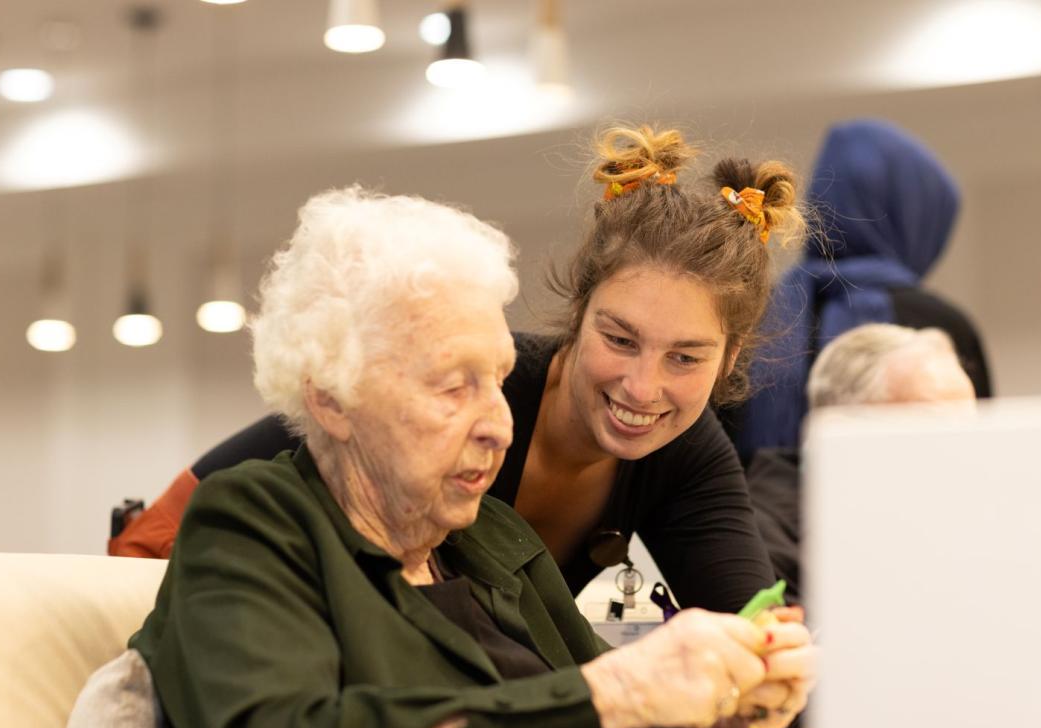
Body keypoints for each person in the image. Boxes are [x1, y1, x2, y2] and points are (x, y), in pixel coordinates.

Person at [99, 187, 816, 728]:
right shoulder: (255, 524)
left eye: (500, 379)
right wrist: (618, 691)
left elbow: (607, 725)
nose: (503, 421)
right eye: (454, 386)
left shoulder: (494, 538)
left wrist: (722, 719)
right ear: (332, 396)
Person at [110, 124, 808, 615]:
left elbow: (742, 621)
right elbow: (300, 424)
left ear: (730, 361)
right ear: (578, 309)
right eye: (620, 339)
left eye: (685, 357)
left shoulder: (689, 456)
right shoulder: (483, 381)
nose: (642, 387)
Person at [724, 118, 992, 462]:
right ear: (914, 219)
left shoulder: (750, 313)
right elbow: (979, 460)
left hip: (754, 512)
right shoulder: (939, 325)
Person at [750, 323, 976, 605]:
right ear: (843, 427)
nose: (963, 450)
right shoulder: (758, 538)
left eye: (970, 428)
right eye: (935, 426)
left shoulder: (960, 519)